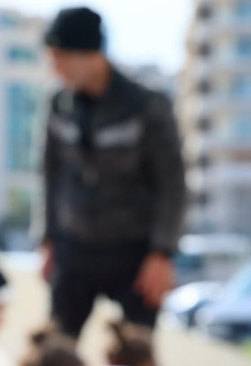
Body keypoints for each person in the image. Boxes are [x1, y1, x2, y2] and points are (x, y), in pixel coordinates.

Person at [35, 6, 185, 340]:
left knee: (136, 355)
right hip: (74, 247)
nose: (54, 67)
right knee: (56, 352)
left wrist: (162, 253)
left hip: (134, 250)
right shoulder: (58, 104)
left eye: (61, 56)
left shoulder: (147, 104)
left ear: (91, 55)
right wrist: (45, 239)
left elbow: (172, 184)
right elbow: (49, 174)